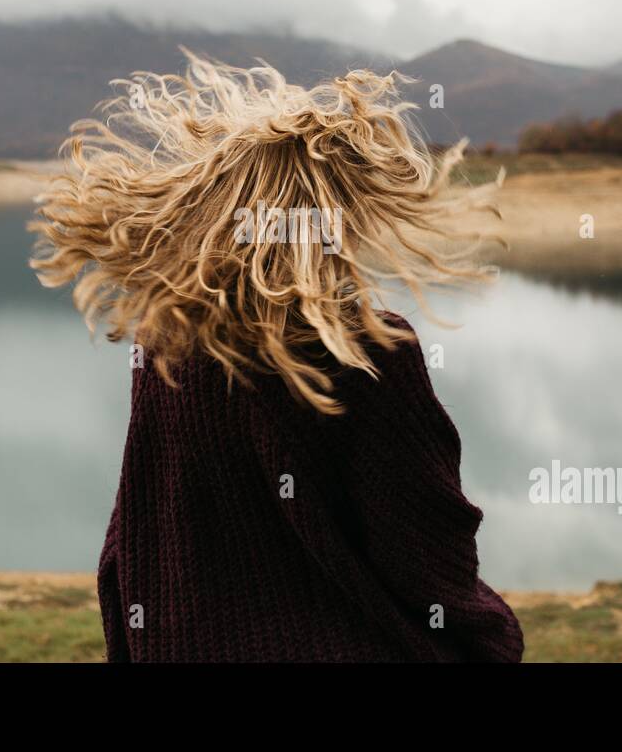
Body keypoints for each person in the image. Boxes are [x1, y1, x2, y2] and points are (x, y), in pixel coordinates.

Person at [31, 53, 523, 662]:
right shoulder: (367, 354)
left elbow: (129, 546)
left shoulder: (168, 345)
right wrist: (492, 638)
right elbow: (430, 554)